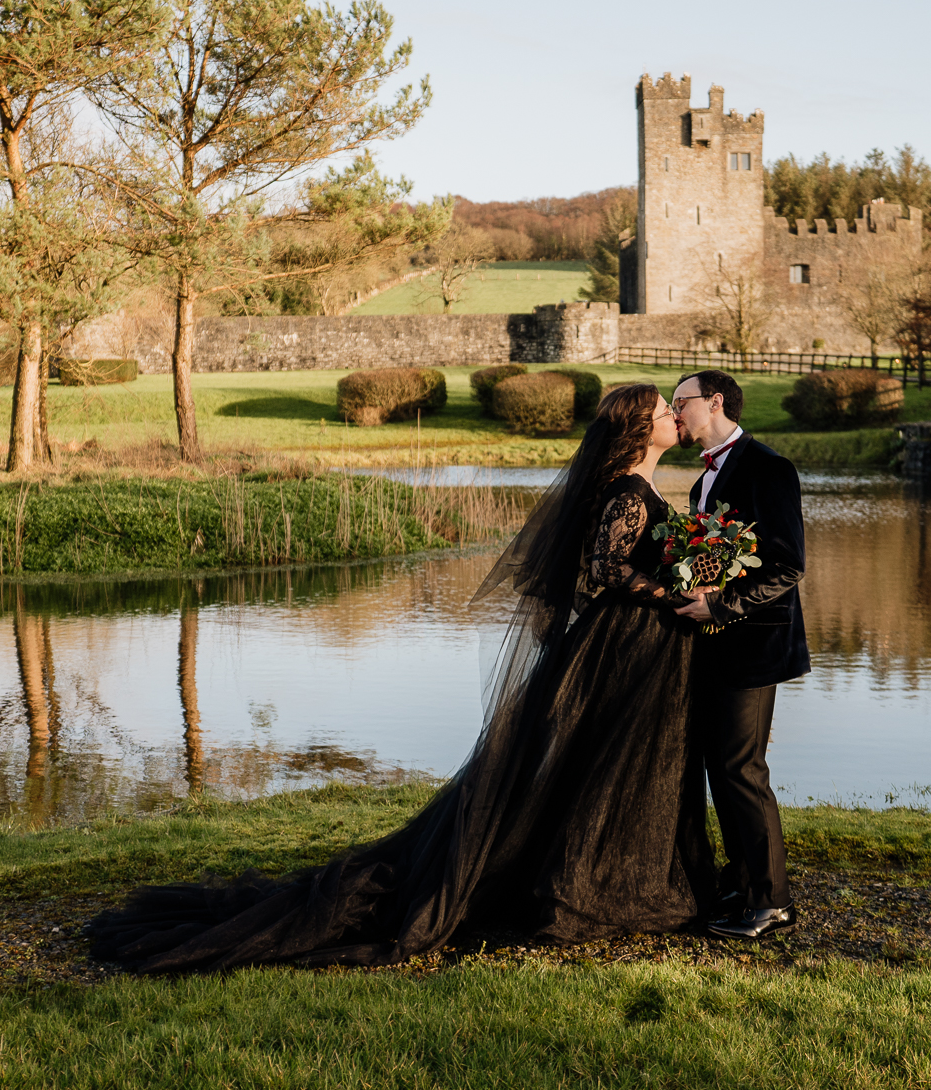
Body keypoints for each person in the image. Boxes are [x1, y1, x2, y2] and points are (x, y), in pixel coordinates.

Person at [85, 383, 720, 971]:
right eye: (663, 408)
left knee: (606, 764)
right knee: (592, 764)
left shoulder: (640, 486)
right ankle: (575, 882)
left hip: (636, 645)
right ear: (638, 428)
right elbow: (609, 570)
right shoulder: (626, 494)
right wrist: (676, 594)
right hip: (620, 643)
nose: (672, 414)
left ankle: (601, 871)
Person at [669, 368, 809, 939]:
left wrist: (722, 607)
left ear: (715, 402)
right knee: (720, 768)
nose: (676, 413)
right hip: (717, 647)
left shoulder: (770, 468)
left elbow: (787, 565)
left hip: (753, 643)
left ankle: (771, 901)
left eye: (682, 403)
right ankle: (743, 881)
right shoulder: (707, 478)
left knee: (741, 769)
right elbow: (717, 558)